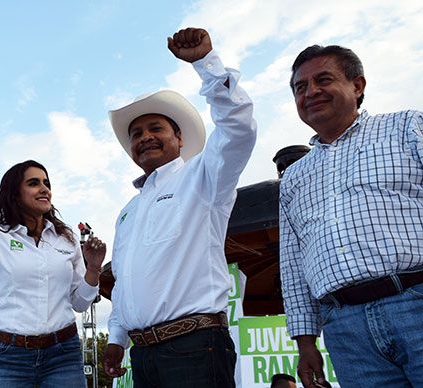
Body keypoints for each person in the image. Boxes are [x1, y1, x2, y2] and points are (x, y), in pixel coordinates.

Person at [104, 28, 256, 387]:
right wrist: (116, 339)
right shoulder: (127, 211)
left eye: (155, 128)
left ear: (180, 139)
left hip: (195, 348)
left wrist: (206, 64)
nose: (144, 138)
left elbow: (239, 131)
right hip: (142, 355)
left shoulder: (203, 177)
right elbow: (125, 281)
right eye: (136, 135)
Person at [280, 44, 423, 388]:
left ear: (357, 86)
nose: (311, 91)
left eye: (323, 80)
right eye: (300, 87)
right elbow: (293, 265)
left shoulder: (407, 127)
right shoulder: (293, 178)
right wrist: (305, 341)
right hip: (345, 329)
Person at [0, 160, 106, 387]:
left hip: (63, 354)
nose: (44, 189)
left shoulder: (66, 237)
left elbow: (79, 303)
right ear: (14, 194)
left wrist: (93, 269)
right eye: (33, 183)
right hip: (9, 356)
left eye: (46, 183)